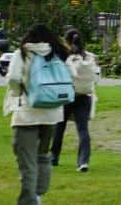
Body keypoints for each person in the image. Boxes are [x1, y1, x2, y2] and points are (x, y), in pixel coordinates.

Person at [6, 24, 68, 205]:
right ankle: (39, 194)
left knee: (27, 160)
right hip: (52, 113)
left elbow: (13, 78)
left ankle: (28, 201)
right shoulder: (57, 53)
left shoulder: (23, 53)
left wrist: (17, 94)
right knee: (43, 155)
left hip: (27, 113)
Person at [51, 29, 99, 172]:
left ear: (66, 40)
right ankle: (83, 161)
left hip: (65, 96)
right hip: (84, 96)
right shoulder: (89, 57)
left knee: (59, 128)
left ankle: (54, 157)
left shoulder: (63, 57)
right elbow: (96, 78)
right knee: (83, 130)